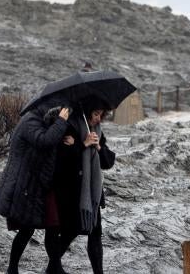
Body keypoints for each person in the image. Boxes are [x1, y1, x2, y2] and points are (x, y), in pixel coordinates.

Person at [0, 104, 71, 274]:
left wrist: (66, 140)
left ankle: (55, 267)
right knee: (27, 229)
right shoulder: (30, 122)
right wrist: (61, 122)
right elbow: (44, 141)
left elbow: (49, 143)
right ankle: (12, 268)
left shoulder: (42, 121)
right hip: (24, 183)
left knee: (53, 226)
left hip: (38, 182)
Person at [46, 99, 115, 274]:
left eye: (101, 115)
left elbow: (107, 163)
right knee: (70, 231)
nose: (99, 119)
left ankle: (98, 272)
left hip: (92, 194)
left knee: (95, 233)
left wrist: (98, 146)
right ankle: (52, 267)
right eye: (96, 114)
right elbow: (62, 160)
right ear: (87, 112)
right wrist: (82, 144)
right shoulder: (70, 127)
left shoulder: (97, 132)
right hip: (71, 192)